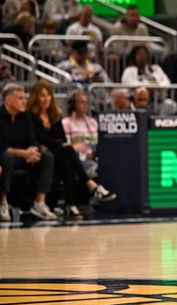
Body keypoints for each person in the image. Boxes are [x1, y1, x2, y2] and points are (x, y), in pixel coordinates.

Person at [28, 81, 114, 220]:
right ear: (35, 98)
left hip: (55, 154)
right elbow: (40, 138)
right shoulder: (30, 116)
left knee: (66, 162)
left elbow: (59, 139)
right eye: (42, 96)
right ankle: (91, 186)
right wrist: (51, 143)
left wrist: (50, 143)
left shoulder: (55, 115)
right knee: (68, 151)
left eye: (48, 95)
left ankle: (71, 205)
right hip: (39, 156)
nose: (46, 99)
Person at [0, 83, 56, 221]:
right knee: (6, 158)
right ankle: (3, 203)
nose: (25, 101)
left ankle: (39, 203)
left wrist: (33, 151)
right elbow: (1, 146)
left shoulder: (25, 116)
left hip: (24, 157)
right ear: (8, 100)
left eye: (24, 98)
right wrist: (23, 153)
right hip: (5, 157)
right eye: (20, 98)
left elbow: (33, 139)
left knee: (47, 157)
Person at [62, 91, 100, 177]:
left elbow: (98, 142)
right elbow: (65, 146)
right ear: (73, 105)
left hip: (94, 157)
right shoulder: (66, 123)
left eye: (86, 102)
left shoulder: (92, 122)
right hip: (77, 160)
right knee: (94, 167)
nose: (85, 105)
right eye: (82, 102)